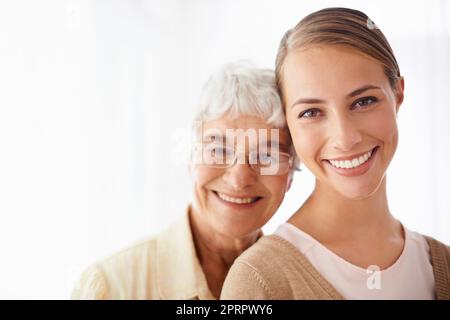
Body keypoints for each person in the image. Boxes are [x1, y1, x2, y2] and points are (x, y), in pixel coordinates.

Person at [221, 8, 450, 300]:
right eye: (311, 112)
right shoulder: (260, 281)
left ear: (398, 95)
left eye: (364, 101)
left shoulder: (442, 263)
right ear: (288, 126)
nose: (345, 138)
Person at [71, 62, 297, 299]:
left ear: (291, 174)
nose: (239, 179)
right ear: (191, 157)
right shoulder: (111, 286)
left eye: (267, 156)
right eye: (218, 150)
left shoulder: (297, 288)